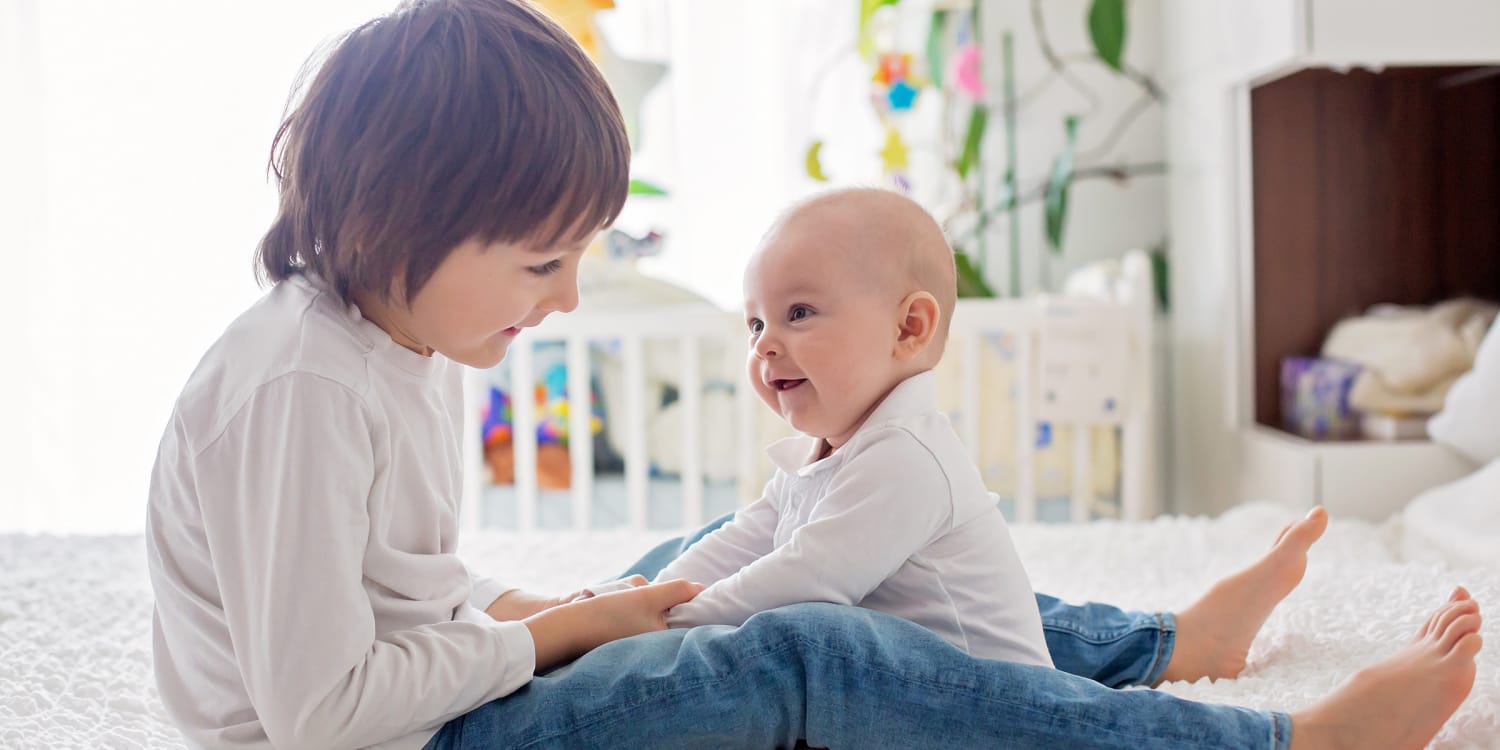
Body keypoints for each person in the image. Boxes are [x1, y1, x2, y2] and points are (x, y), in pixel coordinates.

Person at [144, 1, 1484, 748]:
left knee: (730, 568)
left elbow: (406, 587)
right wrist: (552, 631)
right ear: (409, 213)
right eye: (542, 263)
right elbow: (319, 715)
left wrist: (563, 603)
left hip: (429, 696)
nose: (560, 302)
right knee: (810, 642)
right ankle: (1285, 746)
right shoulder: (300, 390)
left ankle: (1168, 646)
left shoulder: (406, 343)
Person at [651, 188, 1050, 669]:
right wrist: (650, 598)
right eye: (755, 324)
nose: (763, 345)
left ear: (908, 328)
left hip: (987, 704)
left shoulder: (908, 459)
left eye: (798, 313)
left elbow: (802, 578)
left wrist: (666, 623)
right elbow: (737, 545)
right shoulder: (821, 454)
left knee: (795, 628)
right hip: (904, 690)